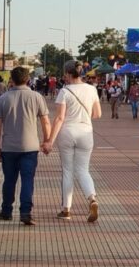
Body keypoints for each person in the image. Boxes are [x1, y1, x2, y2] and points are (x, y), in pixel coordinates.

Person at [42, 60, 102, 222]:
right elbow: (97, 114)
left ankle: (66, 209)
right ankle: (92, 198)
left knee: (68, 171)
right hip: (86, 132)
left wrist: (49, 141)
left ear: (68, 74)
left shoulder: (64, 91)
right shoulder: (92, 89)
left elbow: (60, 118)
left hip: (68, 132)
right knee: (83, 170)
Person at [0, 66, 51, 226]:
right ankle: (25, 212)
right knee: (27, 180)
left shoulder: (3, 99)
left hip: (9, 148)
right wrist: (47, 141)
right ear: (28, 80)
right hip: (30, 148)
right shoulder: (37, 97)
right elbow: (45, 121)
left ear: (11, 79)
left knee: (9, 180)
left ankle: (6, 211)